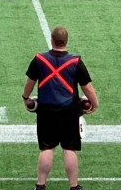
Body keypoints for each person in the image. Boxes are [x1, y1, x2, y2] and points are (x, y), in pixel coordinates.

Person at [22, 25, 98, 190]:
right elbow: (87, 87)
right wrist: (95, 103)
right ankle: (73, 186)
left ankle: (40, 185)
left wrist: (25, 98)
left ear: (52, 40)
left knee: (46, 148)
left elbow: (30, 81)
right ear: (66, 41)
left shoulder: (39, 59)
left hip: (46, 110)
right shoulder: (75, 61)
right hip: (69, 111)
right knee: (69, 148)